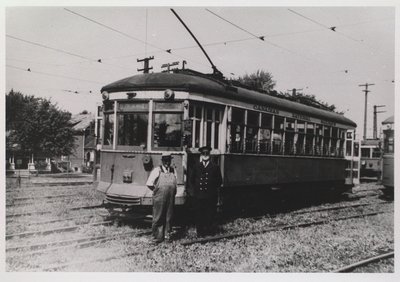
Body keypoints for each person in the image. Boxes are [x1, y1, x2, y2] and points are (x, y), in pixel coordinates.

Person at [188, 145, 222, 237]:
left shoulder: (215, 167)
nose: (205, 155)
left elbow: (219, 181)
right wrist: (195, 192)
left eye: (207, 153)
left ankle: (209, 232)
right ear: (201, 155)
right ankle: (200, 233)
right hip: (199, 196)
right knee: (199, 214)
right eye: (203, 153)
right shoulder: (196, 166)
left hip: (210, 195)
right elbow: (191, 180)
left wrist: (212, 190)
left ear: (209, 155)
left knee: (209, 214)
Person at [146, 152, 177, 243]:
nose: (167, 162)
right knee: (158, 216)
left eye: (169, 160)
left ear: (170, 161)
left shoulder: (173, 170)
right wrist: (156, 191)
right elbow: (149, 183)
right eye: (165, 160)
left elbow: (175, 183)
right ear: (162, 160)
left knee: (169, 216)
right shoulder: (157, 170)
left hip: (170, 197)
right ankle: (157, 237)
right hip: (159, 197)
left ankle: (168, 235)